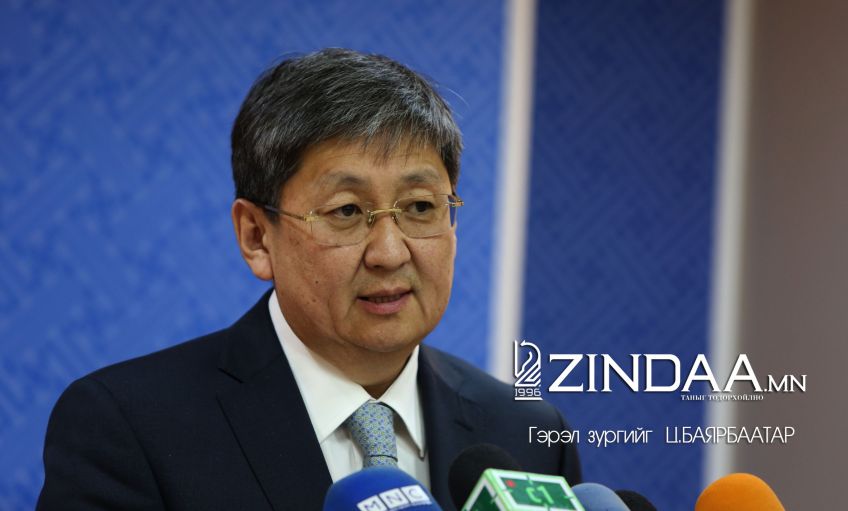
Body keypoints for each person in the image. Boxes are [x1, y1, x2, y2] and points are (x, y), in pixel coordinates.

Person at [36, 48, 580, 511]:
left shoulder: (526, 433)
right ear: (256, 236)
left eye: (420, 207)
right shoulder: (131, 429)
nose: (390, 253)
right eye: (346, 211)